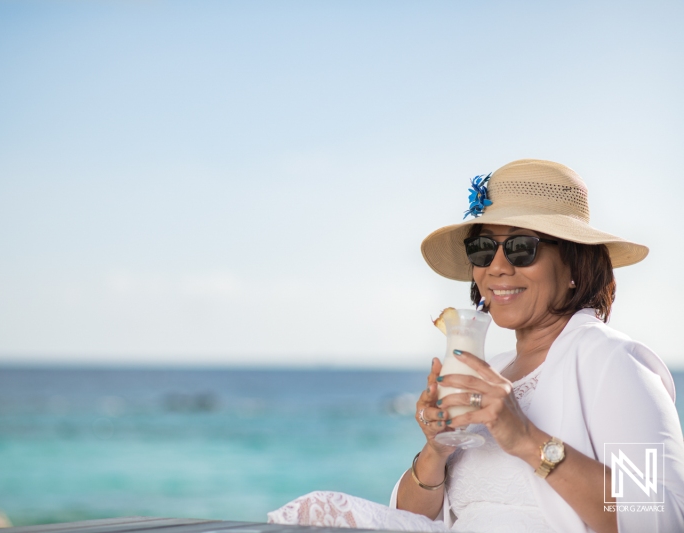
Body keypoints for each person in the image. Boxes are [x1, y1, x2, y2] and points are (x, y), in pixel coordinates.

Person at [268, 159, 684, 533]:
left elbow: (660, 519)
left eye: (522, 248)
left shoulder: (616, 362)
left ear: (575, 265)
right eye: (483, 249)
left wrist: (527, 440)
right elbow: (410, 520)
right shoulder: (494, 373)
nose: (498, 266)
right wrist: (436, 450)